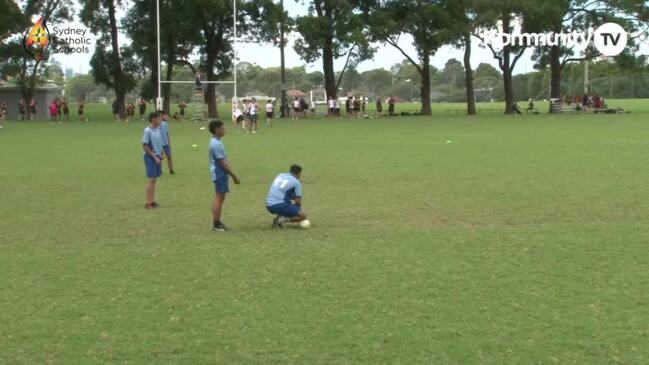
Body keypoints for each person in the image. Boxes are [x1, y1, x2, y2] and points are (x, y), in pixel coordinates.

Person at [208, 120, 241, 232]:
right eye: (222, 128)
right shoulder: (215, 144)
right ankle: (216, 224)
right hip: (219, 173)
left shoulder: (216, 141)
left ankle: (216, 221)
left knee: (218, 198)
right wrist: (234, 175)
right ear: (217, 130)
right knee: (219, 198)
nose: (224, 129)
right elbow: (222, 162)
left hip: (219, 172)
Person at [266, 164, 308, 229]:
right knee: (303, 216)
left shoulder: (280, 175)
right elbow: (298, 202)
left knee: (287, 202)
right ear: (299, 173)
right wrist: (299, 210)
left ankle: (279, 217)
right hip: (279, 205)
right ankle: (279, 220)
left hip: (269, 205)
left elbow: (283, 192)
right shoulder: (296, 182)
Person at [142, 112, 165, 209]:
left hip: (157, 157)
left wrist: (161, 152)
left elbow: (158, 142)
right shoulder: (148, 131)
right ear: (153, 119)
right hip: (150, 158)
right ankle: (148, 203)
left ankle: (152, 201)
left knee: (154, 180)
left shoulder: (158, 130)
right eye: (159, 119)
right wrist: (154, 157)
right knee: (151, 180)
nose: (161, 121)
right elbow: (145, 146)